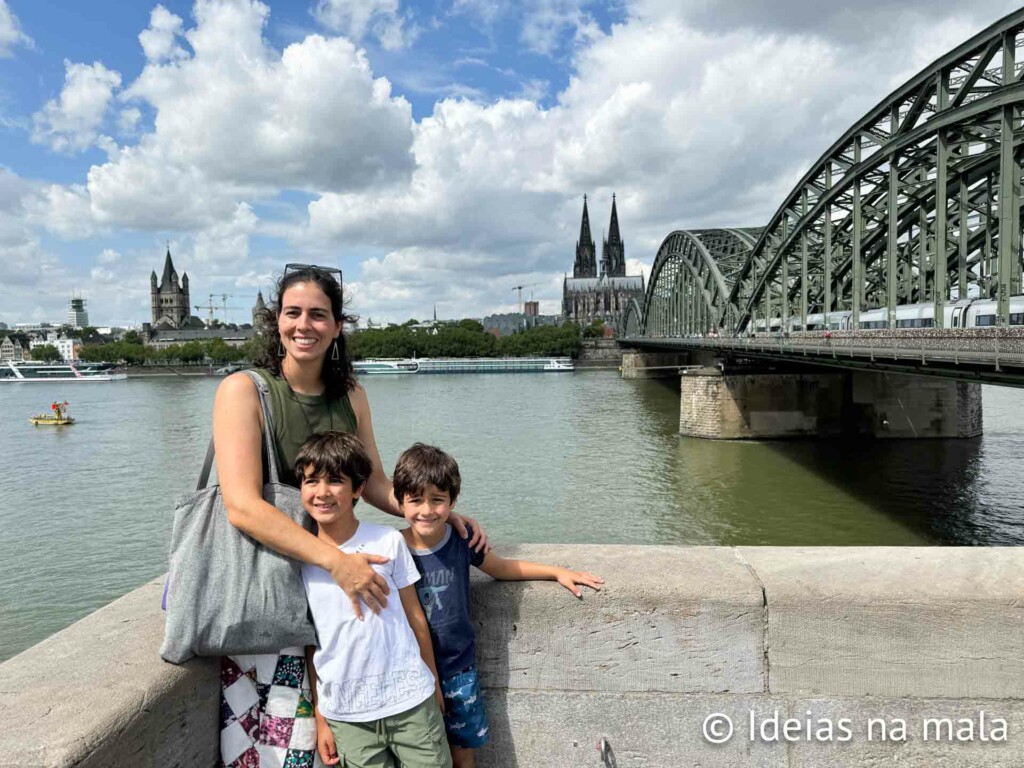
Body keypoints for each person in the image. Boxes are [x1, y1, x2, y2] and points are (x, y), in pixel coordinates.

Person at [213, 264, 486, 767]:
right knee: (283, 747)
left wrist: (435, 514)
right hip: (275, 585)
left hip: (338, 579)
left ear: (338, 326)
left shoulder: (352, 394)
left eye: (319, 315)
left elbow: (377, 482)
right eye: (292, 313)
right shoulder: (243, 390)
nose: (304, 325)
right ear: (276, 321)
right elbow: (241, 505)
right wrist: (336, 563)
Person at [396, 443, 603, 768]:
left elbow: (501, 568)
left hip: (459, 671)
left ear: (453, 502)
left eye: (438, 500)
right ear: (399, 502)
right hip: (412, 674)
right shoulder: (393, 549)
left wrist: (556, 572)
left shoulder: (461, 541)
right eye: (416, 500)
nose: (427, 510)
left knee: (463, 756)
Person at [296, 431, 451, 768]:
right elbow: (311, 643)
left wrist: (433, 684)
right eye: (311, 481)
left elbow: (416, 620)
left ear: (359, 489)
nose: (322, 492)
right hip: (347, 714)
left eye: (335, 481)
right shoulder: (301, 560)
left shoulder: (387, 541)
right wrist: (321, 717)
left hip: (411, 701)